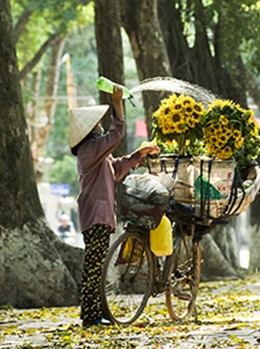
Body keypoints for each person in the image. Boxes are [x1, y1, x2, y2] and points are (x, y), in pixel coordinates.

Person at [69, 87, 160, 327]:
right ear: (90, 130)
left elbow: (118, 168)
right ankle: (91, 317)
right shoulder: (89, 151)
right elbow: (116, 134)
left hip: (100, 214)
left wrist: (139, 153)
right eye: (97, 124)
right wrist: (117, 104)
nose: (100, 127)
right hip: (96, 215)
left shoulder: (98, 155)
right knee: (94, 265)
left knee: (96, 265)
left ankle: (94, 313)